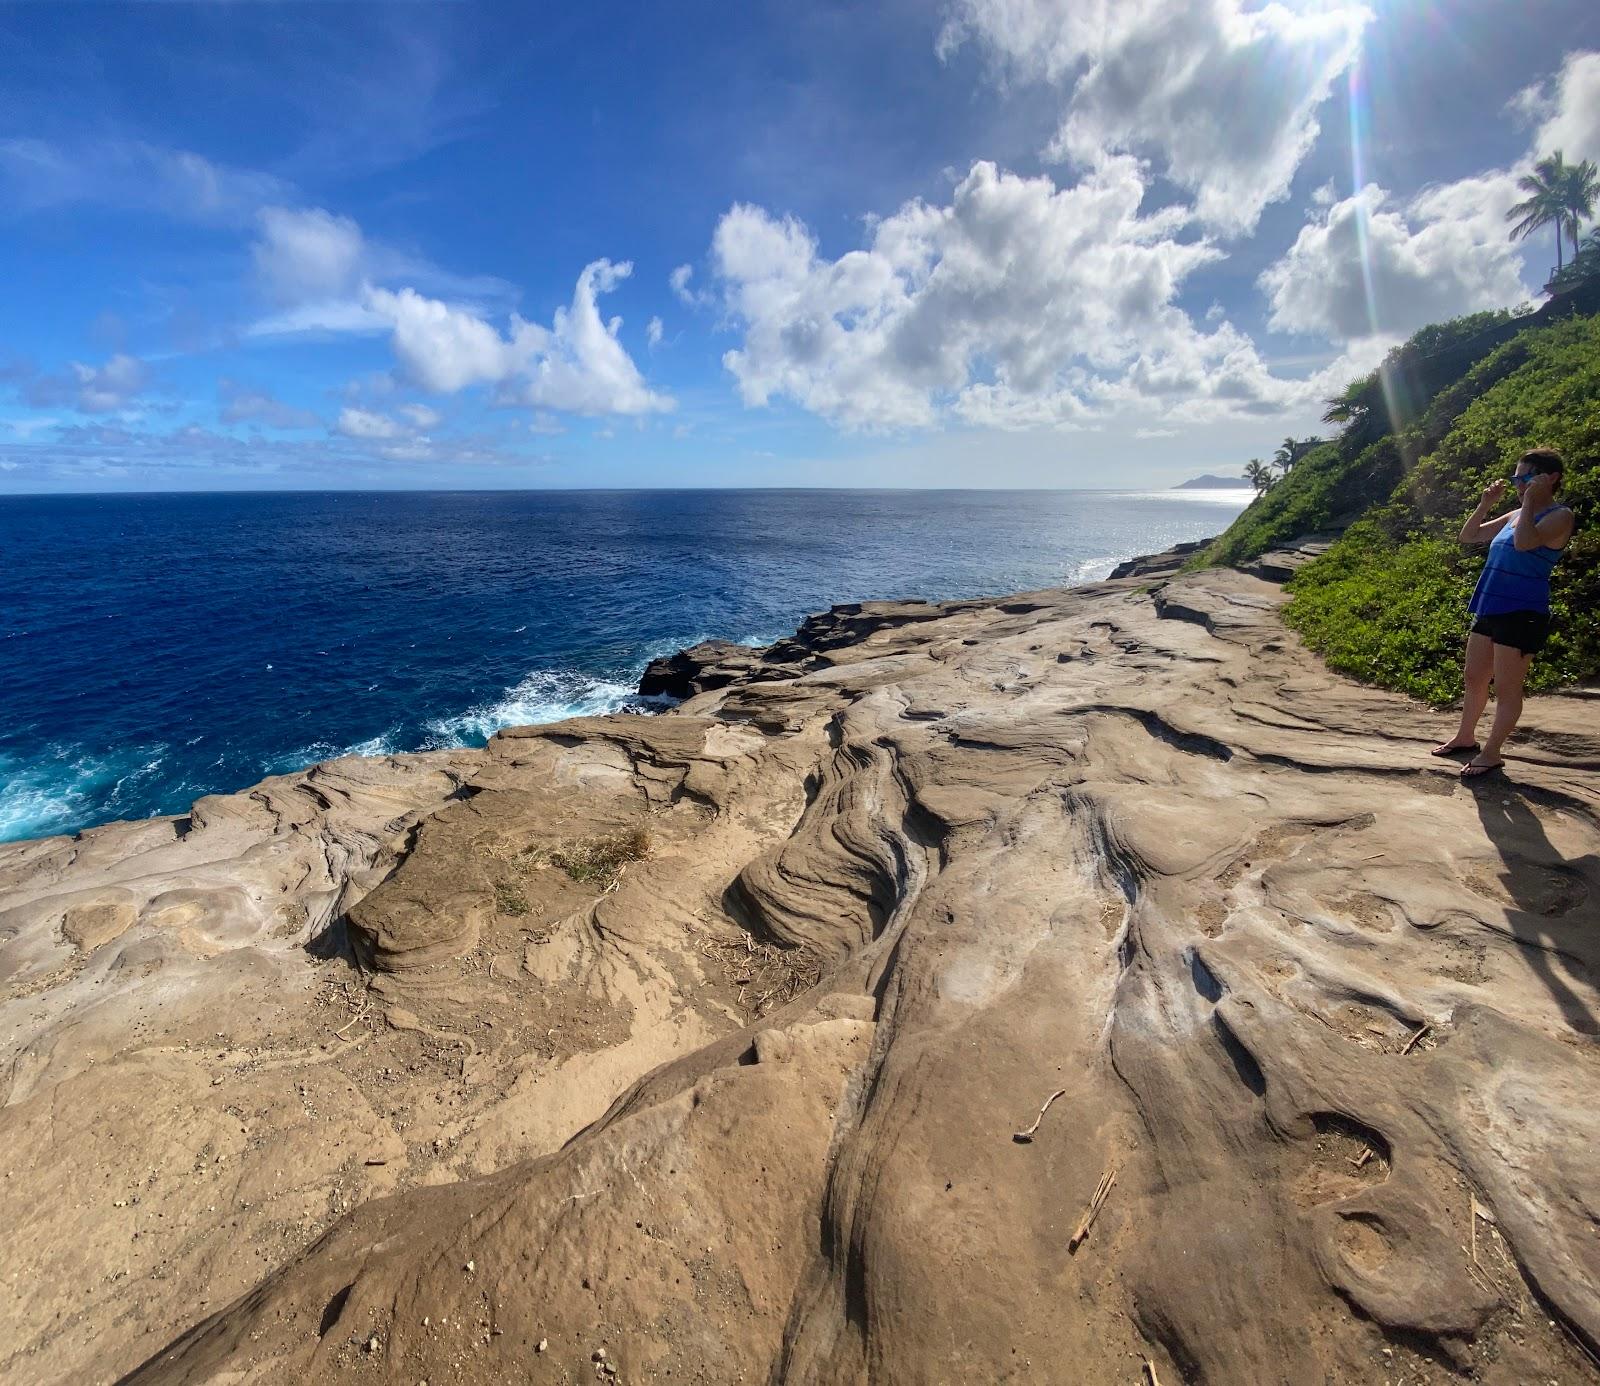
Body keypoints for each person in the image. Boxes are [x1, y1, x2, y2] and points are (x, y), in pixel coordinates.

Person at [1434, 448, 1574, 778]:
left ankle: (1492, 752)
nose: (1519, 484)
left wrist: (1529, 503)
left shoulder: (1560, 516)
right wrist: (1485, 504)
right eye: (1517, 478)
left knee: (1507, 688)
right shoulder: (1513, 515)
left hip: (1522, 611)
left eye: (1526, 478)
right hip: (1490, 606)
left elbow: (1526, 543)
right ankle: (1465, 737)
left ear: (1550, 479)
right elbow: (1469, 536)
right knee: (1474, 677)